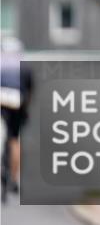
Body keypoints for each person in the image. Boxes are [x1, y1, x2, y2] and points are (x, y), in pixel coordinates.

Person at [1, 36, 33, 197]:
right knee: (14, 139)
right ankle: (13, 178)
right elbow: (29, 91)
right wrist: (25, 110)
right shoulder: (24, 66)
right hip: (17, 102)